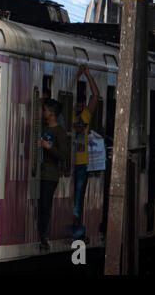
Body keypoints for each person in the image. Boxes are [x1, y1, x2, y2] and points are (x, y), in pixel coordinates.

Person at [72, 64, 99, 238]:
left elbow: (96, 95)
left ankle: (78, 231)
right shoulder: (71, 114)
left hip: (81, 162)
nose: (82, 104)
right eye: (79, 102)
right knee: (75, 199)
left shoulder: (84, 116)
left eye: (83, 102)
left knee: (78, 199)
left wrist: (88, 75)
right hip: (72, 162)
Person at [38, 98, 67, 250]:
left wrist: (49, 148)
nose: (42, 112)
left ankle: (43, 236)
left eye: (45, 110)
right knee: (40, 204)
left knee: (45, 206)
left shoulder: (59, 132)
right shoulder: (42, 128)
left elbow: (63, 155)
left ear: (51, 113)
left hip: (50, 174)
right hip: (39, 173)